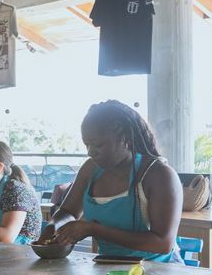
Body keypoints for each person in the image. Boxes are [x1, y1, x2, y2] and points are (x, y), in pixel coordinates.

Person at [39, 100, 182, 262]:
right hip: (109, 266)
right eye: (87, 145)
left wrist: (94, 229)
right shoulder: (90, 169)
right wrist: (53, 227)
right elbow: (68, 212)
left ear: (125, 138)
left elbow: (163, 243)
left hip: (158, 270)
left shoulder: (158, 175)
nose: (91, 152)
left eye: (98, 145)